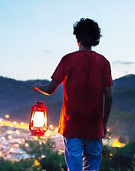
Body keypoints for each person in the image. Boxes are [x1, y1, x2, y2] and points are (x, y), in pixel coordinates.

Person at [33, 18, 113, 171]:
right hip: (94, 125)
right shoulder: (104, 63)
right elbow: (109, 96)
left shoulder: (68, 60)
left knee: (74, 168)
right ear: (96, 39)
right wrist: (104, 122)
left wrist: (38, 87)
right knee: (91, 167)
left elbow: (50, 89)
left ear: (77, 38)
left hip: (72, 124)